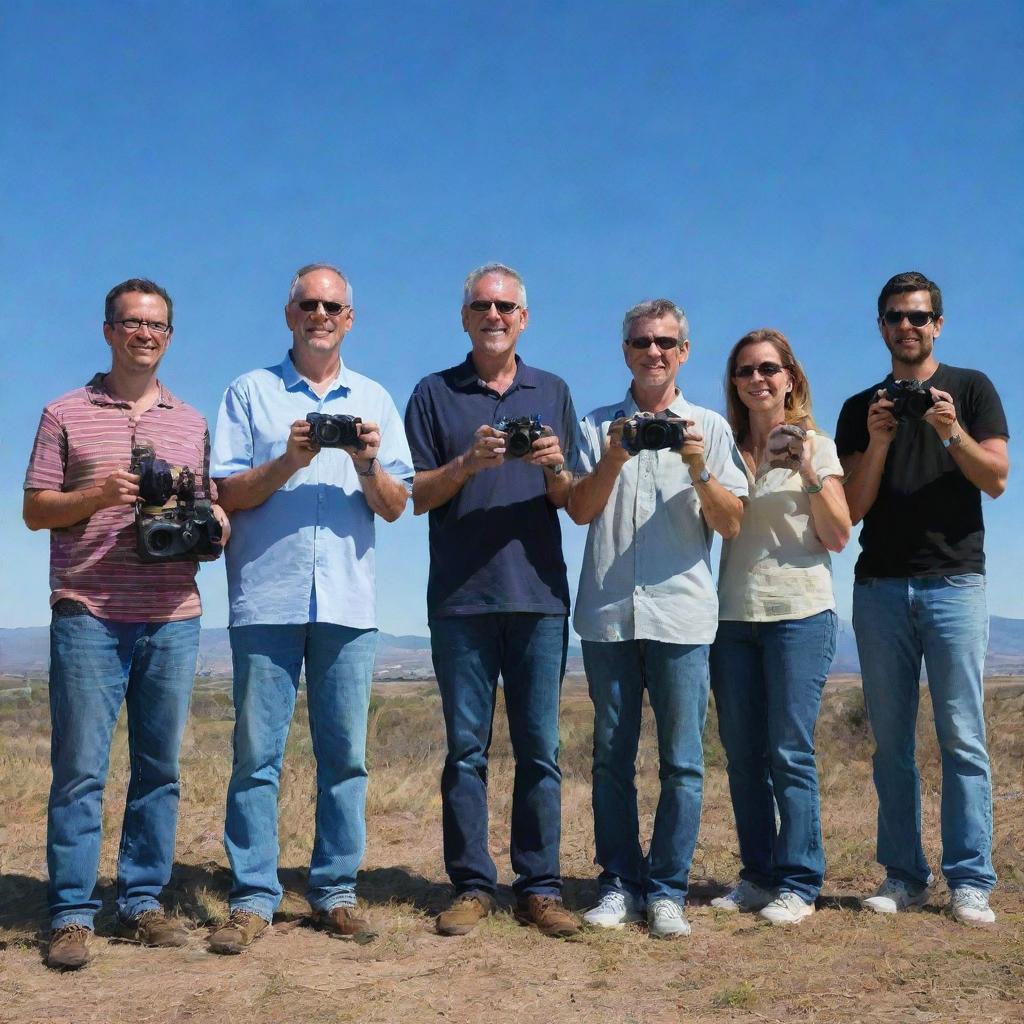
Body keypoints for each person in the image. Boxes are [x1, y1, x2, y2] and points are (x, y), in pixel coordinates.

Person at [24, 278, 229, 970]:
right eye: (133, 323)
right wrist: (95, 495)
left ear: (169, 336)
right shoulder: (64, 413)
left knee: (158, 768)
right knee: (80, 769)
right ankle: (73, 913)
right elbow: (35, 510)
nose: (145, 334)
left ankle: (142, 901)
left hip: (172, 612)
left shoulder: (191, 422)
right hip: (89, 610)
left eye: (158, 325)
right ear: (108, 329)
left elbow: (200, 511)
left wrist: (215, 524)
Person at [208, 263, 412, 953]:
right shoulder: (249, 392)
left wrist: (364, 462)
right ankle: (253, 895)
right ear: (289, 314)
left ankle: (334, 891)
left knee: (345, 758)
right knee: (256, 756)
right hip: (266, 597)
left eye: (333, 305)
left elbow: (395, 504)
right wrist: (290, 460)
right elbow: (227, 494)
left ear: (349, 318)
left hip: (348, 604)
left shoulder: (376, 398)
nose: (320, 314)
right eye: (308, 304)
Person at [404, 262, 580, 938]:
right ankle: (474, 885)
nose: (494, 315)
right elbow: (414, 495)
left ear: (524, 318)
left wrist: (555, 464)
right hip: (460, 596)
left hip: (538, 594)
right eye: (481, 305)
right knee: (466, 752)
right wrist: (468, 465)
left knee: (540, 749)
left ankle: (540, 886)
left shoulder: (553, 389)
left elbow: (570, 498)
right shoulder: (433, 393)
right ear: (465, 318)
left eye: (506, 306)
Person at [567, 298, 747, 938]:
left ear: (684, 353)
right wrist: (614, 457)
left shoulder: (711, 428)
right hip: (609, 615)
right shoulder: (594, 428)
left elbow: (730, 522)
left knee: (683, 762)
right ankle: (619, 882)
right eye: (642, 343)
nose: (654, 353)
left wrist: (698, 466)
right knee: (611, 760)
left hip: (681, 617)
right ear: (625, 351)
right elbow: (580, 511)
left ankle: (666, 888)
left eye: (666, 343)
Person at [836, 271, 1009, 925]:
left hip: (955, 583)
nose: (907, 327)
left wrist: (950, 429)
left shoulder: (970, 390)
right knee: (891, 743)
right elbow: (851, 508)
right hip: (880, 587)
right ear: (880, 326)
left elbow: (995, 479)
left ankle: (969, 880)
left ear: (938, 324)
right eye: (895, 317)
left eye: (919, 317)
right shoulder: (860, 408)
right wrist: (879, 440)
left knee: (963, 737)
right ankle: (904, 875)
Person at [708, 328, 851, 925]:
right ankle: (759, 875)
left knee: (789, 752)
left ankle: (800, 880)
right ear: (734, 383)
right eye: (745, 371)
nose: (757, 379)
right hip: (732, 617)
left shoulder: (816, 444)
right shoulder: (722, 446)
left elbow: (839, 534)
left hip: (799, 614)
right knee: (743, 755)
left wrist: (810, 474)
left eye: (769, 368)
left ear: (790, 376)